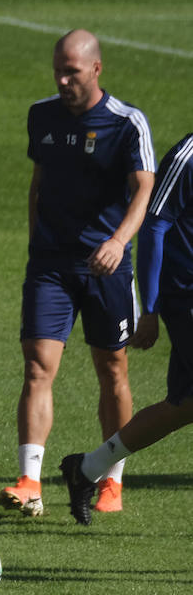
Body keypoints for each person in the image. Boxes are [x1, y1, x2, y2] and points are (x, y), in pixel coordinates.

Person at [4, 29, 154, 517]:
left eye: (72, 71)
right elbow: (38, 183)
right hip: (50, 265)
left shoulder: (127, 123)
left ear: (96, 69)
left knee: (112, 369)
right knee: (37, 366)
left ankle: (111, 477)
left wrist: (117, 242)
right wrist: (35, 242)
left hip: (105, 266)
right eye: (58, 71)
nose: (63, 80)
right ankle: (30, 480)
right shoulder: (40, 115)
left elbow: (144, 189)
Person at [61, 133, 193, 524]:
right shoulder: (187, 156)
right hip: (185, 293)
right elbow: (155, 225)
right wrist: (149, 309)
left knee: (182, 406)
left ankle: (85, 469)